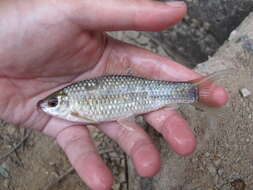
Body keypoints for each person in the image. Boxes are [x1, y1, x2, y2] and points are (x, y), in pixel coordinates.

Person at [0, 0, 228, 189]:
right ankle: (197, 92)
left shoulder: (73, 107)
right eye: (52, 102)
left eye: (52, 103)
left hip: (136, 93)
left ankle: (195, 92)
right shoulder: (70, 105)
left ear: (65, 101)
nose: (47, 106)